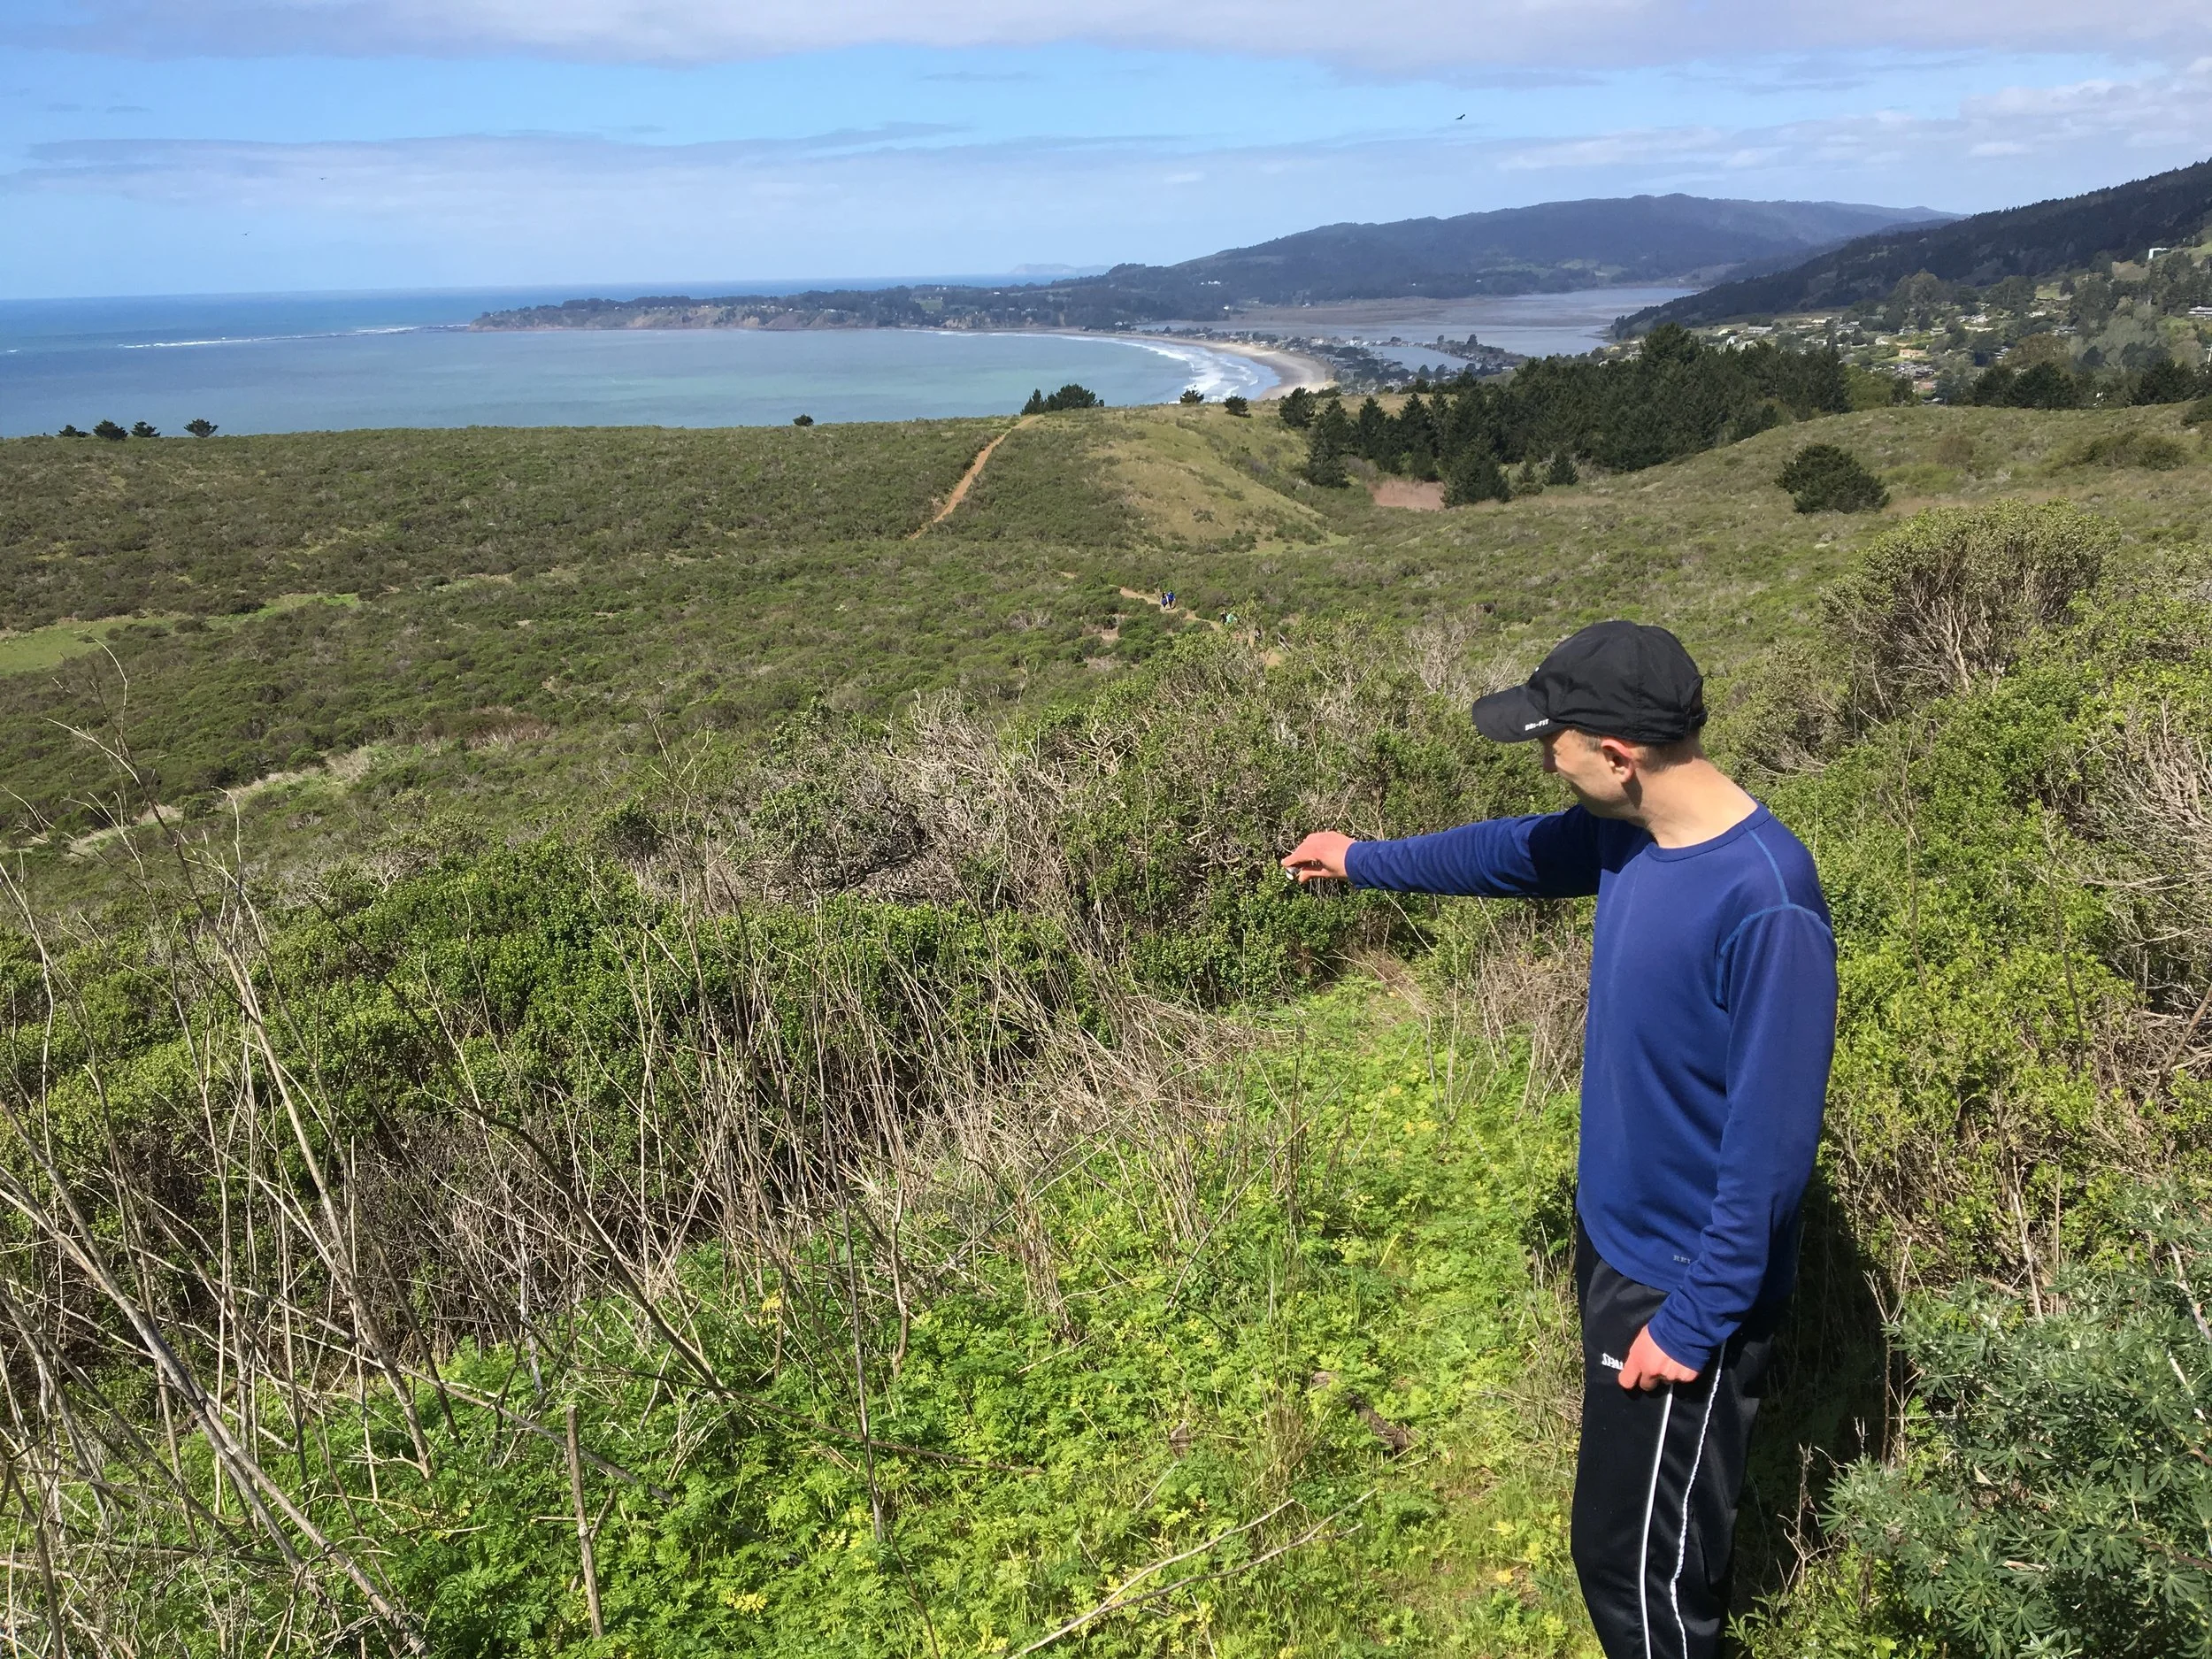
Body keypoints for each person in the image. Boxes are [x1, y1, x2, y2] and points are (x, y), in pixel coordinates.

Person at [1280, 619, 1836, 1659]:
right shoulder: (1629, 834)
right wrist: (1362, 859)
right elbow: (1512, 853)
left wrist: (1691, 1325)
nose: (1545, 760)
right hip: (1618, 1243)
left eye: (1553, 741)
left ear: (1618, 754)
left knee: (1641, 1579)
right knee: (1621, 1547)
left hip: (1680, 1289)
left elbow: (1768, 1159)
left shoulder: (1765, 902)